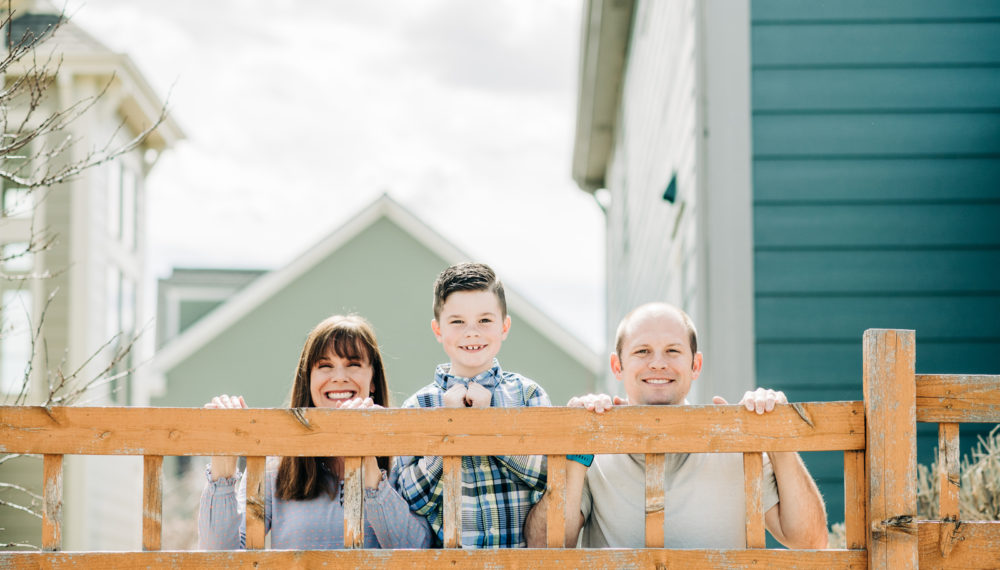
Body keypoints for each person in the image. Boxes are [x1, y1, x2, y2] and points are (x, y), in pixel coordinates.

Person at [524, 302, 828, 549]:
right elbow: (542, 546)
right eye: (642, 351)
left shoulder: (737, 443)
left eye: (673, 350)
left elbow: (811, 541)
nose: (658, 363)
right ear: (617, 366)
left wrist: (777, 436)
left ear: (696, 365)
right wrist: (577, 448)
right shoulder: (592, 452)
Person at [198, 314, 432, 550]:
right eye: (325, 366)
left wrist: (368, 465)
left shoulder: (402, 460)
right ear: (308, 380)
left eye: (353, 364)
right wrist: (223, 464)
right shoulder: (274, 465)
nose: (339, 378)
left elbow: (419, 551)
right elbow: (220, 556)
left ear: (373, 380)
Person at [393, 262, 550, 548]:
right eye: (457, 322)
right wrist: (451, 430)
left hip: (518, 564)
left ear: (504, 327)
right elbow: (410, 498)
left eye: (485, 320)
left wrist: (489, 427)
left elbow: (549, 475)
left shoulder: (528, 395)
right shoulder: (418, 406)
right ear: (438, 330)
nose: (472, 332)